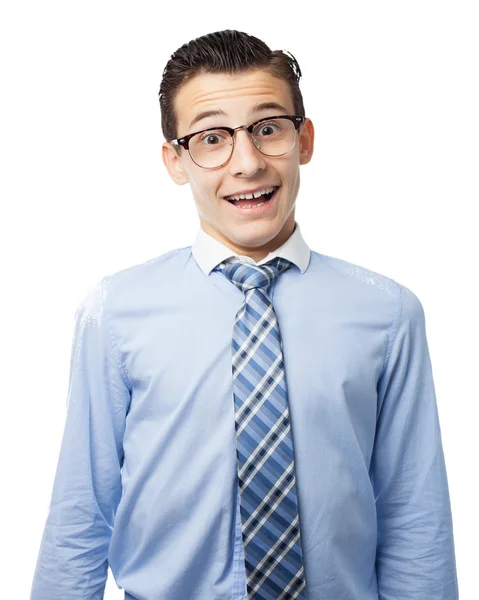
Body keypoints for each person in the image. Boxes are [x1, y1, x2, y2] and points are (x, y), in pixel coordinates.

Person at [30, 29, 459, 600]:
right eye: (212, 138)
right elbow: (82, 510)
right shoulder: (114, 311)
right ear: (175, 161)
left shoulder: (388, 312)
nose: (248, 163)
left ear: (304, 139)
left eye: (267, 129)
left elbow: (414, 514)